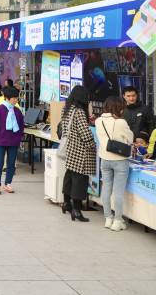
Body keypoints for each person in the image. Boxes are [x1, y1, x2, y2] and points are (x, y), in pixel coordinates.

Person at [94, 96, 134, 231]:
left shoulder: (98, 121)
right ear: (118, 107)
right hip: (120, 160)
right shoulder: (121, 122)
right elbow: (130, 138)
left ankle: (108, 218)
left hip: (104, 158)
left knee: (106, 189)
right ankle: (117, 221)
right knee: (118, 192)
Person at [59, 85, 96, 221]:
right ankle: (77, 210)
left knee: (69, 176)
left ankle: (67, 204)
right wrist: (93, 145)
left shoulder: (67, 109)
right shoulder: (79, 111)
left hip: (70, 148)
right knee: (79, 181)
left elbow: (65, 128)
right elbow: (85, 133)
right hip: (81, 151)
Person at [0, 86, 25, 194]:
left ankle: (8, 183)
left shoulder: (17, 111)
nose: (15, 100)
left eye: (16, 98)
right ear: (7, 98)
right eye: (14, 98)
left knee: (11, 163)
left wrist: (19, 136)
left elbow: (21, 125)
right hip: (0, 141)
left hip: (13, 141)